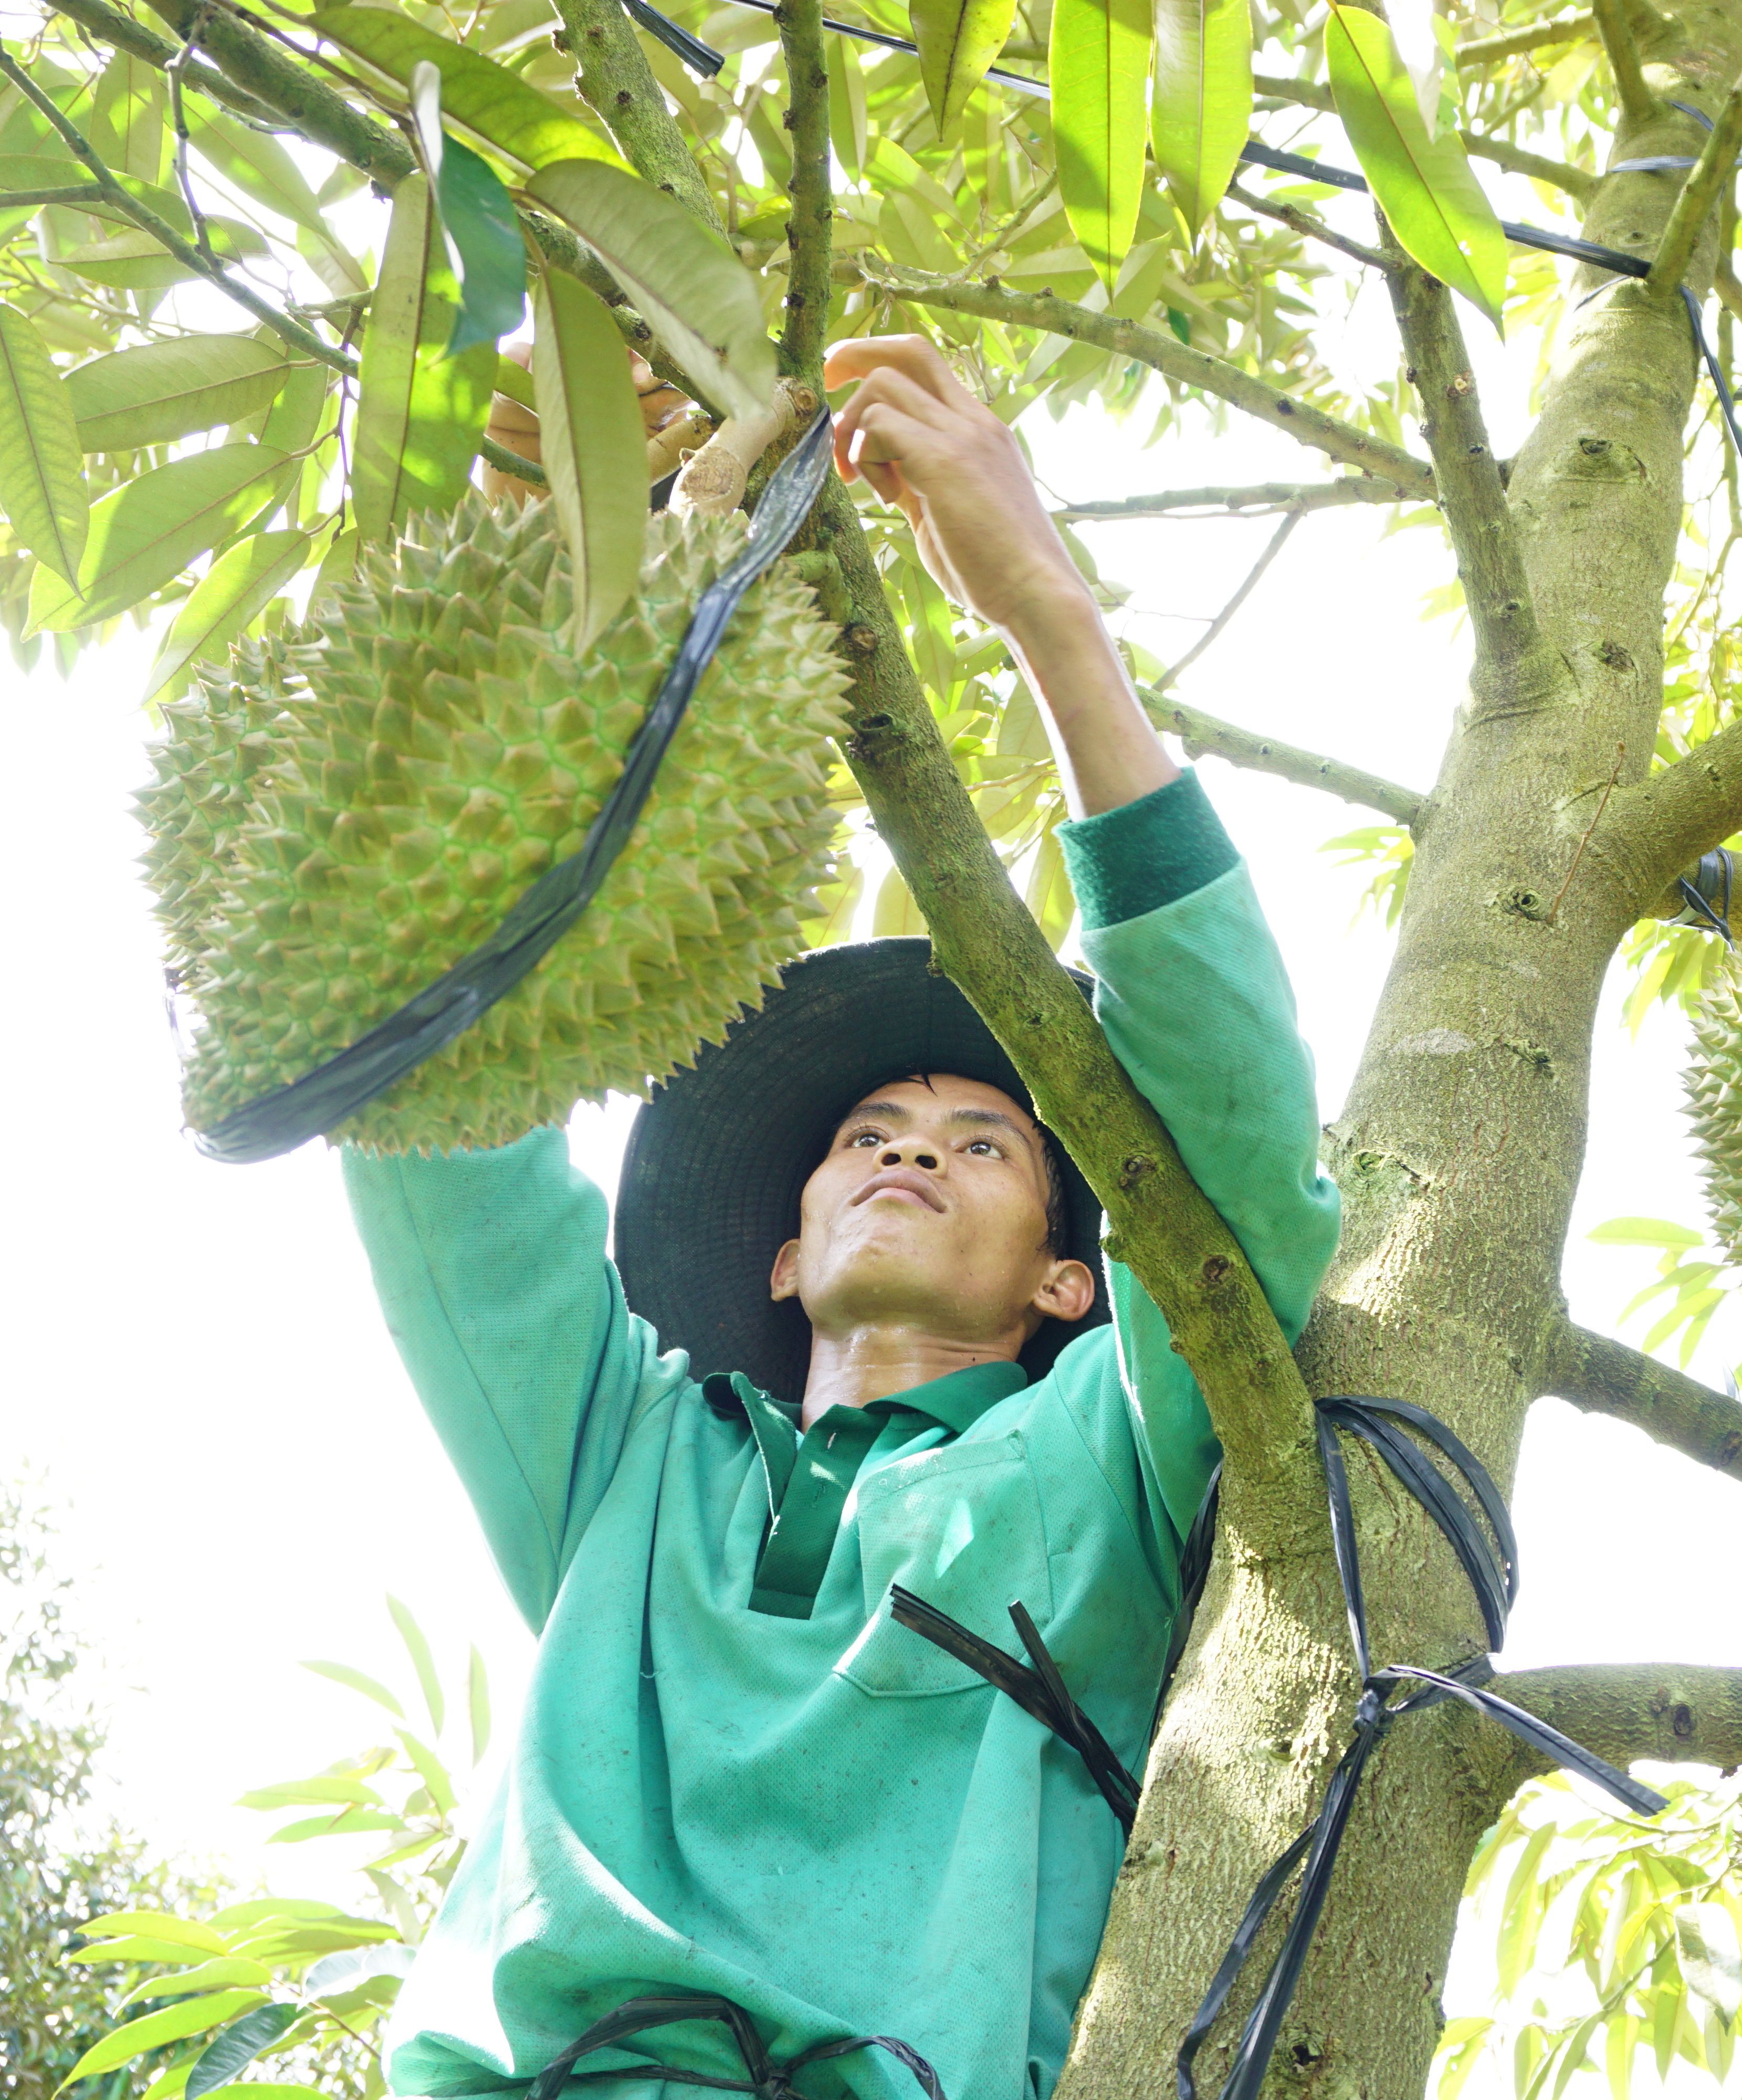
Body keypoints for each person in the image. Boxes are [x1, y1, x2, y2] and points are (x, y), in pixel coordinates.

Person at [342, 335, 1339, 2100]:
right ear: (788, 1253)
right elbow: (439, 1133)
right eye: (870, 1132)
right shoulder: (625, 1464)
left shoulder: (1098, 1456)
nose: (911, 1150)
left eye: (982, 1145)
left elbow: (1239, 1160)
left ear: (1064, 1279)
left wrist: (1046, 610)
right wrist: (530, 569)